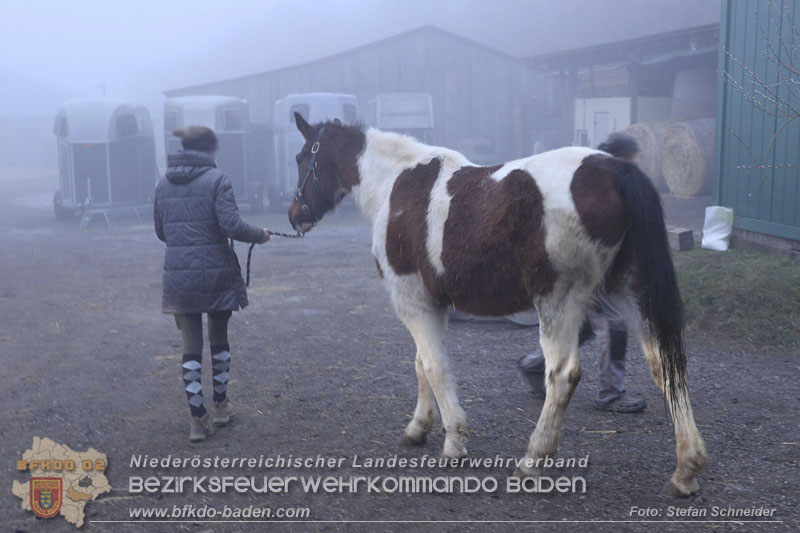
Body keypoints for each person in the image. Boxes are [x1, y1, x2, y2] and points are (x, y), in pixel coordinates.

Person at [154, 125, 270, 442]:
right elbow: (231, 225)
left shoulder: (163, 184)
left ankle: (197, 419)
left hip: (180, 277)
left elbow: (162, 232)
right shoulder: (218, 180)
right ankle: (220, 406)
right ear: (210, 150)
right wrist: (259, 234)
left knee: (190, 347)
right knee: (218, 338)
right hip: (216, 273)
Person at [517, 291, 646, 413]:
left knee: (585, 325)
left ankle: (533, 364)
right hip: (599, 274)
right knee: (613, 322)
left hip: (598, 274)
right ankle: (611, 393)